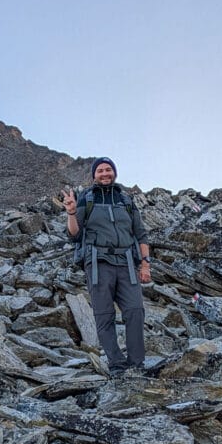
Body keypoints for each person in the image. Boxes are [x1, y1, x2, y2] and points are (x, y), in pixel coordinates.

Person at [61, 157, 151, 375]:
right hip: (98, 264)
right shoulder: (86, 198)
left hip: (127, 263)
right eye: (100, 170)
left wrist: (145, 264)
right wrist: (72, 212)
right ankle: (117, 364)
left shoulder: (125, 200)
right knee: (104, 315)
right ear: (94, 175)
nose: (104, 173)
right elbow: (74, 234)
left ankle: (137, 364)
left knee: (135, 311)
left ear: (114, 173)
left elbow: (140, 233)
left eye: (108, 169)